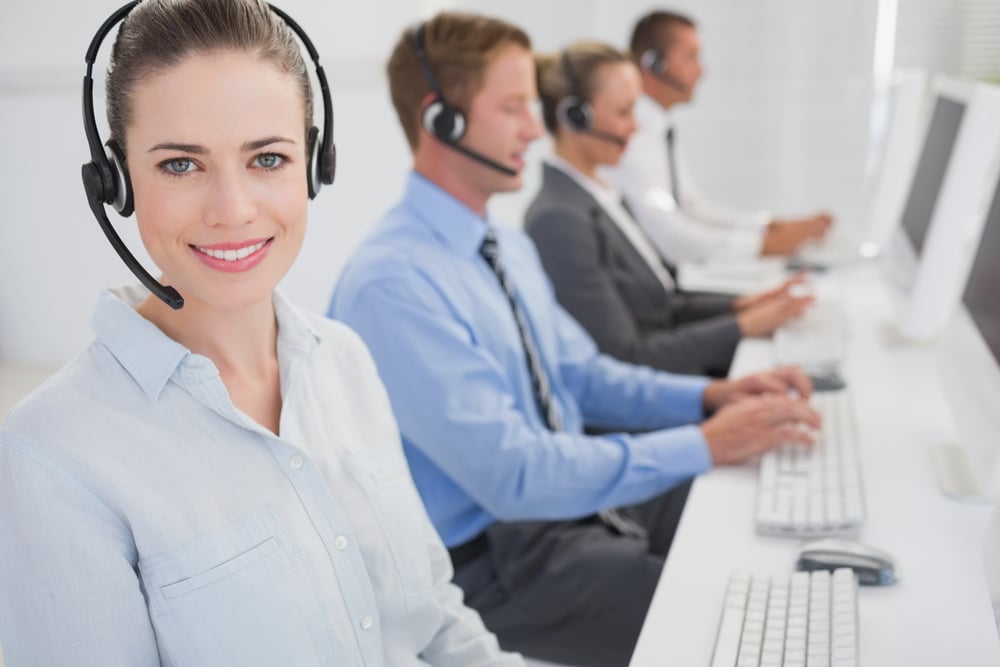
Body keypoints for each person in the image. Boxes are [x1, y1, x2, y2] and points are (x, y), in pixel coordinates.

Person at [0, 2, 520, 665]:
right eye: (181, 165)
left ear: (313, 164)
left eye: (267, 158)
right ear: (117, 181)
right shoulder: (55, 452)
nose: (233, 210)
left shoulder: (346, 360)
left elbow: (437, 623)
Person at [329, 12, 820, 666]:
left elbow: (585, 375)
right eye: (513, 108)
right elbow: (517, 475)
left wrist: (713, 394)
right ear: (439, 120)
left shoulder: (503, 244)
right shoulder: (393, 286)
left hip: (565, 511)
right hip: (503, 564)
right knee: (732, 620)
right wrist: (703, 442)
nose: (536, 128)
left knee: (756, 513)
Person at [526, 41, 814, 377]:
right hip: (650, 402)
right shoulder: (560, 220)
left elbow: (661, 304)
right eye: (623, 112)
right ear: (574, 117)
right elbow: (627, 356)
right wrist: (741, 327)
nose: (636, 127)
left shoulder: (603, 194)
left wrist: (745, 305)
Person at [606, 10, 833, 265]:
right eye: (691, 58)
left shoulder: (660, 129)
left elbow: (692, 208)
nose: (701, 71)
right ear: (654, 64)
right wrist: (765, 244)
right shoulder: (631, 137)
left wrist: (771, 226)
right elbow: (672, 237)